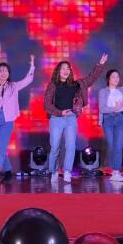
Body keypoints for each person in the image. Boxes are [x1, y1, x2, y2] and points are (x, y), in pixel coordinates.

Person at [44, 53, 108, 183]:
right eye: (63, 68)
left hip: (71, 118)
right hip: (56, 118)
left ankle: (67, 171)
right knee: (55, 147)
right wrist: (60, 112)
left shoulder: (76, 84)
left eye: (68, 68)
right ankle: (54, 171)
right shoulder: (52, 85)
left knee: (71, 145)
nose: (66, 71)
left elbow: (91, 78)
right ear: (58, 71)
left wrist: (100, 65)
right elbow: (47, 105)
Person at [0, 55, 35, 182]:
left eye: (5, 71)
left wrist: (32, 66)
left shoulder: (13, 86)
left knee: (1, 147)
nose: (3, 73)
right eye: (1, 70)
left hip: (7, 119)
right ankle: (8, 171)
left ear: (8, 73)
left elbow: (28, 80)